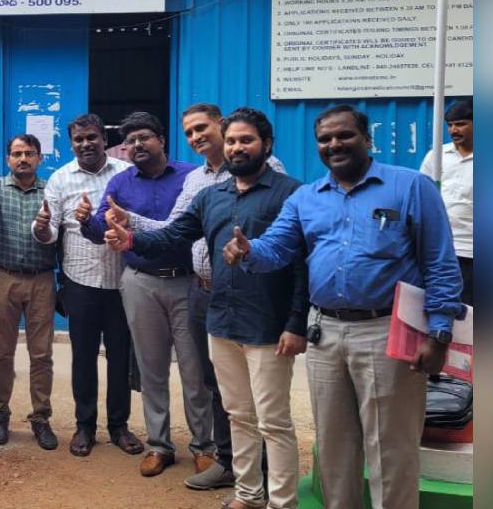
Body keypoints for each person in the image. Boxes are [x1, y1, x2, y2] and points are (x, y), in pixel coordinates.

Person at [224, 104, 464, 509]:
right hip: (325, 334)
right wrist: (249, 251)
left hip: (388, 331)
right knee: (334, 446)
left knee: (390, 448)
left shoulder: (410, 187)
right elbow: (277, 247)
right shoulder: (306, 198)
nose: (334, 144)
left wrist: (439, 332)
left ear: (366, 139)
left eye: (344, 135)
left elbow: (439, 262)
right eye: (325, 139)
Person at [108, 109, 307, 509]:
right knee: (238, 414)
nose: (237, 148)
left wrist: (296, 322)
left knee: (273, 420)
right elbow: (174, 234)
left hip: (267, 321)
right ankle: (248, 494)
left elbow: (302, 263)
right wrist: (131, 241)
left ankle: (282, 502)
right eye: (232, 141)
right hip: (221, 317)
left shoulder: (290, 193)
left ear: (266, 144)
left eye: (246, 140)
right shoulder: (210, 195)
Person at [82, 112, 215, 478]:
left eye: (144, 137)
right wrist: (86, 221)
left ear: (161, 140)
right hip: (140, 282)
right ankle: (159, 445)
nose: (137, 145)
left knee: (194, 368)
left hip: (187, 282)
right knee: (151, 366)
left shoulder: (191, 177)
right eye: (130, 141)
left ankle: (204, 445)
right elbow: (101, 225)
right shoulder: (121, 183)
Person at [33, 113, 143, 457]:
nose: (85, 144)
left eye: (92, 137)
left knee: (120, 356)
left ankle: (119, 426)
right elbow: (49, 231)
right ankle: (85, 426)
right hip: (80, 282)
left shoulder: (125, 174)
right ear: (71, 144)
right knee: (83, 358)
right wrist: (41, 227)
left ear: (104, 139)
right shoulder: (60, 179)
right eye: (78, 139)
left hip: (121, 282)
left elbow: (138, 221)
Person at [0, 134, 58, 450]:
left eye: (29, 153)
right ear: (8, 158)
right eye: (17, 153)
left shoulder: (52, 191)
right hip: (4, 278)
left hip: (42, 279)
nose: (23, 159)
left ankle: (41, 417)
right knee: (2, 352)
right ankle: (0, 414)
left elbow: (59, 231)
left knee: (41, 354)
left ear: (39, 158)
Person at [420, 99, 473, 306]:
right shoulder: (437, 156)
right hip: (441, 249)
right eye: (450, 125)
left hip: (473, 251)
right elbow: (423, 197)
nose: (453, 130)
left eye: (460, 124)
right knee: (440, 307)